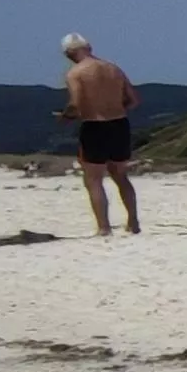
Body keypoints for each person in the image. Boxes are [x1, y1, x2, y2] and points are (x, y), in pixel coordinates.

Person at [57, 34, 142, 236]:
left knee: (93, 179)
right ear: (89, 47)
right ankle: (133, 222)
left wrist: (65, 116)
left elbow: (76, 103)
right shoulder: (113, 68)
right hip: (120, 124)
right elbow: (134, 100)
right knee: (121, 176)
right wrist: (115, 108)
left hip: (94, 125)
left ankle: (104, 227)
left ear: (69, 53)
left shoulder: (75, 73)